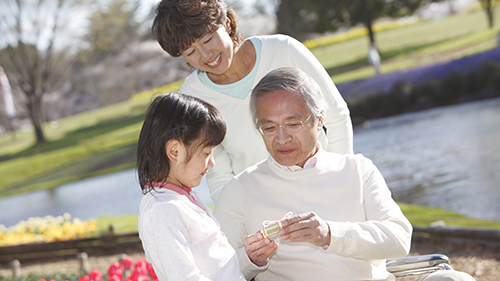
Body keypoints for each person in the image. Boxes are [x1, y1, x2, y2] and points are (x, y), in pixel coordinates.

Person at [214, 67, 475, 281]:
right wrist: (249, 260)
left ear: (319, 119)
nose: (281, 138)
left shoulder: (358, 170)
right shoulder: (240, 190)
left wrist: (330, 234)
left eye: (293, 124)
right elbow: (216, 272)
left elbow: (398, 238)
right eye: (269, 127)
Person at [152, 0, 354, 202]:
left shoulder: (284, 50)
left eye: (207, 40)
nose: (206, 55)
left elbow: (336, 117)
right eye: (190, 51)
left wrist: (340, 181)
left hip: (323, 187)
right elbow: (218, 172)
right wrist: (235, 220)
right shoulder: (193, 94)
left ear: (227, 24)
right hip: (264, 207)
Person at [136, 92, 274, 281]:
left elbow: (218, 270)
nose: (212, 163)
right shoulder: (163, 209)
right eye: (207, 153)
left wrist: (249, 258)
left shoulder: (182, 198)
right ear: (175, 151)